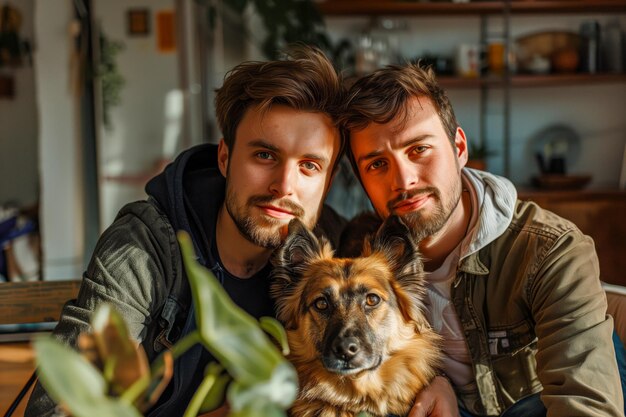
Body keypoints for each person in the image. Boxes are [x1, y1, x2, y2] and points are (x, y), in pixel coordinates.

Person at [25, 46, 346, 417]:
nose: (283, 186)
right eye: (264, 156)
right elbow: (58, 410)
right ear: (224, 158)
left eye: (309, 166)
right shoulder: (144, 249)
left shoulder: (335, 256)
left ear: (328, 181)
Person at [338, 62, 624, 417]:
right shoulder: (358, 260)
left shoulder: (551, 249)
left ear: (459, 148)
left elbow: (586, 405)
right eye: (377, 164)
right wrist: (433, 377)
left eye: (418, 150)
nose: (404, 180)